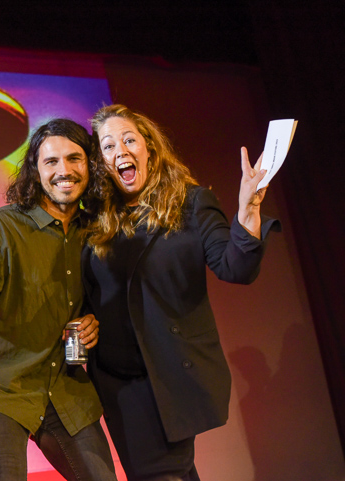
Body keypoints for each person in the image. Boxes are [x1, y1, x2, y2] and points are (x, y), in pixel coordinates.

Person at [81, 104, 281, 481]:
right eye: (108, 146)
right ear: (100, 163)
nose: (120, 151)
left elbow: (234, 268)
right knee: (169, 472)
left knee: (161, 472)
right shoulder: (94, 218)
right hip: (119, 380)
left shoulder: (190, 203)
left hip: (171, 371)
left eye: (128, 140)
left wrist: (248, 214)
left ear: (149, 149)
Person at [0, 119, 117, 481]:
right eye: (51, 162)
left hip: (62, 384)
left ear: (90, 165)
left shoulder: (94, 230)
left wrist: (90, 320)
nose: (64, 171)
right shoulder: (3, 226)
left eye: (74, 159)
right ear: (35, 172)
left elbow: (96, 295)